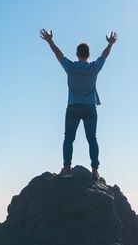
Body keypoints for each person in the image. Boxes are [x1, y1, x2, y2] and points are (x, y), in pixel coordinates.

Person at [39, 29, 117, 181]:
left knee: (68, 138)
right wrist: (110, 44)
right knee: (92, 139)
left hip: (73, 107)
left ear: (77, 54)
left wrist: (50, 41)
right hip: (89, 108)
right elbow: (104, 56)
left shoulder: (71, 67)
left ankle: (67, 168)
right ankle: (95, 170)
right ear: (88, 54)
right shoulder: (94, 67)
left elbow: (58, 54)